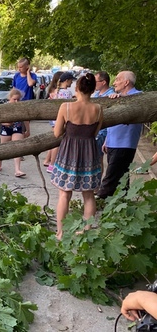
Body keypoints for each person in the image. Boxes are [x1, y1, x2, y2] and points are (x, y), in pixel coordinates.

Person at [50, 73, 103, 240]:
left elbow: (57, 133)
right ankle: (86, 231)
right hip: (89, 152)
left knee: (65, 194)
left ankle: (61, 232)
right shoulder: (98, 109)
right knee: (88, 195)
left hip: (69, 153)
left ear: (77, 88)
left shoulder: (66, 107)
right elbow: (95, 132)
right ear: (93, 89)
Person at [95, 71, 143, 199]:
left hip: (124, 144)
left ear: (126, 82)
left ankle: (99, 200)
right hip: (113, 142)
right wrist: (107, 140)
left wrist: (120, 100)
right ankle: (123, 202)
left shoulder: (138, 97)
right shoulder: (118, 96)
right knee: (122, 176)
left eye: (117, 80)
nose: (114, 83)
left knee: (111, 176)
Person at [0, 88, 30, 177]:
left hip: (17, 127)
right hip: (5, 128)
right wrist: (6, 123)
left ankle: (17, 170)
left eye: (18, 99)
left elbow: (25, 119)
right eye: (14, 99)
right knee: (3, 147)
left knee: (17, 147)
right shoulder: (4, 107)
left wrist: (28, 130)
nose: (16, 101)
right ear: (9, 98)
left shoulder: (21, 107)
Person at [45, 72, 75, 174]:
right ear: (67, 81)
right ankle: (53, 164)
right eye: (71, 80)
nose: (72, 82)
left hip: (55, 120)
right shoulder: (67, 93)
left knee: (55, 142)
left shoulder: (55, 92)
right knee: (59, 143)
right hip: (64, 120)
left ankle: (51, 163)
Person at [91, 71, 115, 180]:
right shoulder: (97, 94)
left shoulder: (111, 95)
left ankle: (97, 183)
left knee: (98, 159)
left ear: (103, 82)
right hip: (95, 130)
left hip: (103, 132)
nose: (93, 84)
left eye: (95, 82)